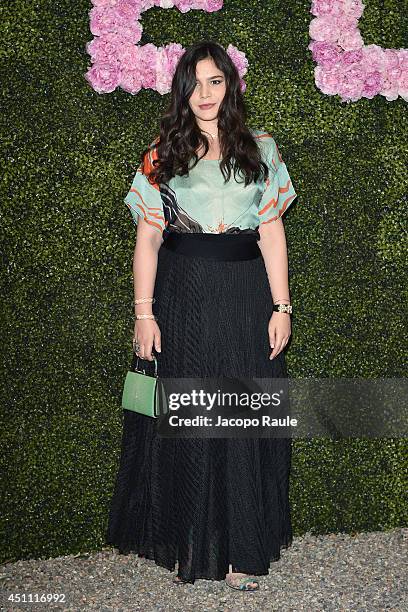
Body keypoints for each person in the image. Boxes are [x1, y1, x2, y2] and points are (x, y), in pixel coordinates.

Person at [106, 40, 298, 592]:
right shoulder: (162, 152)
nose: (206, 93)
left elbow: (271, 232)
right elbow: (147, 237)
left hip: (245, 295)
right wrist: (144, 313)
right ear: (182, 90)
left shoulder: (261, 149)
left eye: (217, 81)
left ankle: (241, 550)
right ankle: (191, 541)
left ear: (230, 86)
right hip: (182, 293)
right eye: (196, 82)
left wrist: (281, 305)